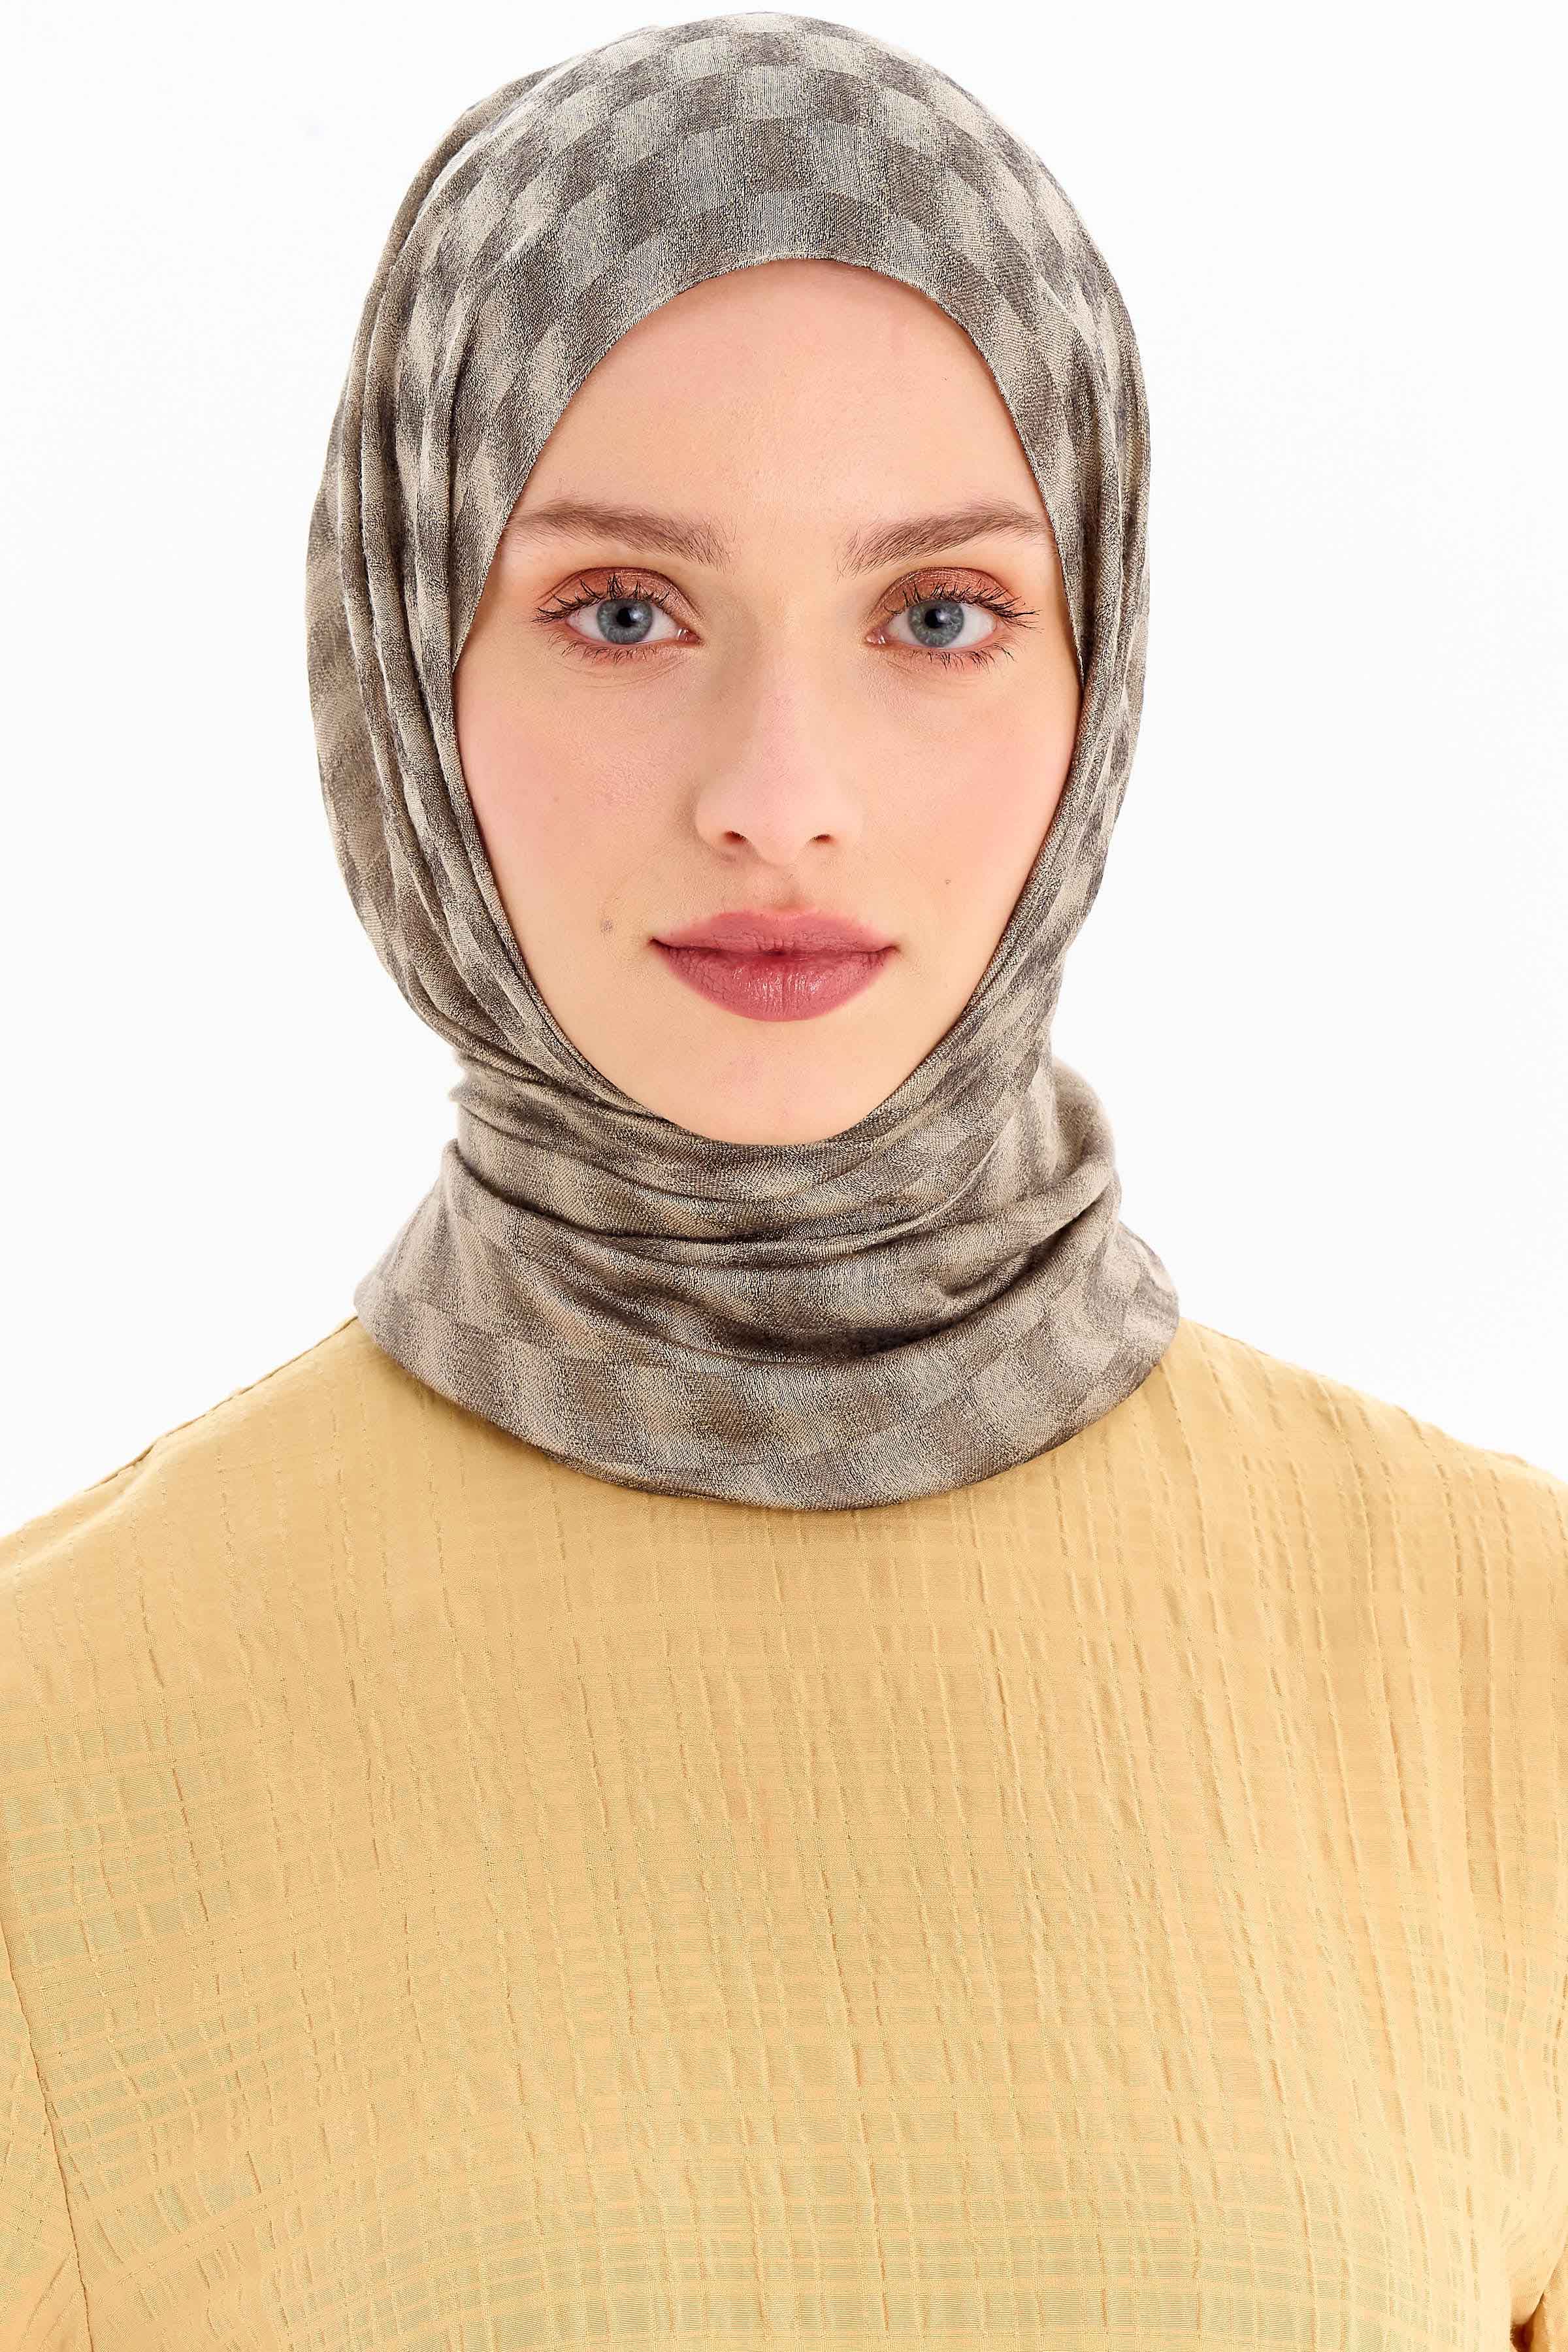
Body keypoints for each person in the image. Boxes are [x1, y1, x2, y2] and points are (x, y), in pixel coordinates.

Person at [2, 15, 1564, 2347]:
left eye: (939, 616)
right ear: (403, 652)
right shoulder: (52, 1736)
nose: (781, 793)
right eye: (623, 611)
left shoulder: (1508, 1667)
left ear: (1094, 660)